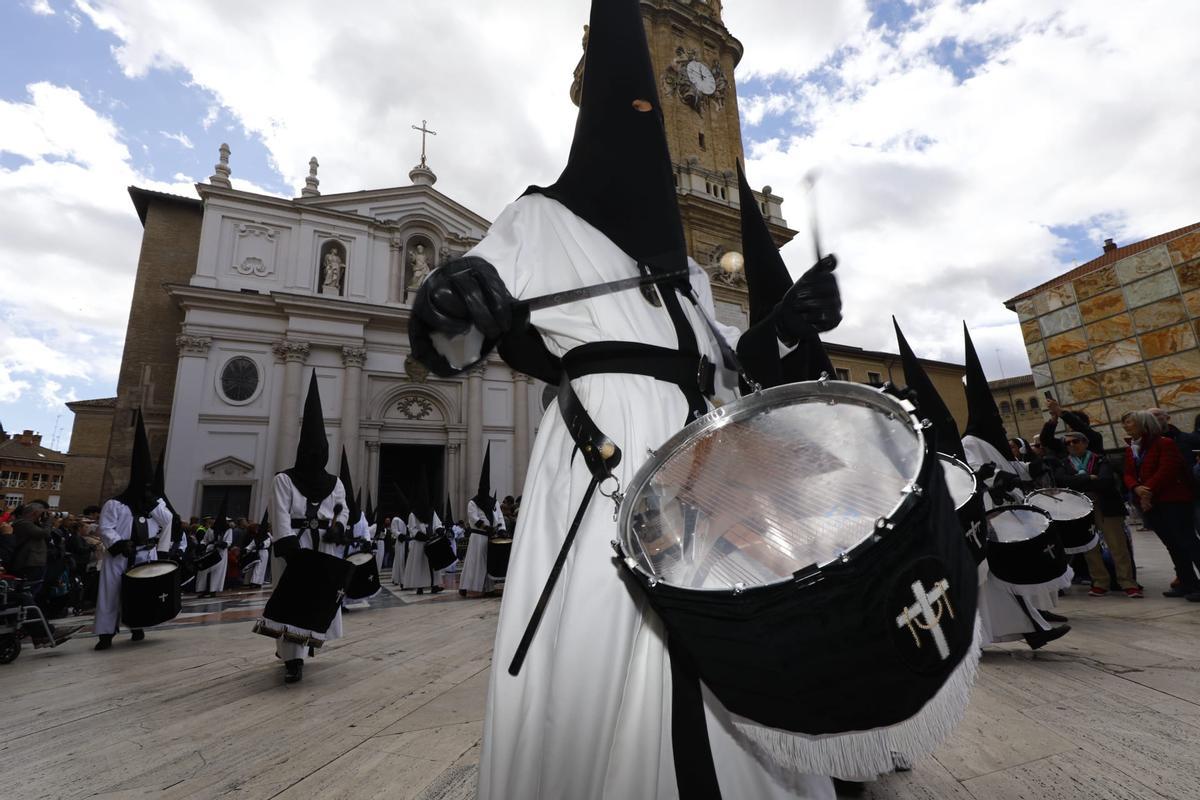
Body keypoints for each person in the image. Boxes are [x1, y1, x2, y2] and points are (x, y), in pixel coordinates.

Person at [409, 2, 843, 795]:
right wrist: (446, 295)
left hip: (711, 490)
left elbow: (728, 370)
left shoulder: (691, 280)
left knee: (734, 682)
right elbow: (454, 336)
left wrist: (784, 325)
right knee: (607, 668)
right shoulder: (540, 218)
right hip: (606, 478)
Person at [261, 372, 351, 684]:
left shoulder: (334, 482)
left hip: (323, 546)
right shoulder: (284, 479)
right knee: (292, 599)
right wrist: (289, 547)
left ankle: (304, 645)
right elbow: (280, 514)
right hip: (296, 549)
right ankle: (292, 659)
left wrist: (339, 527)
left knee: (315, 600)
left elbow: (343, 509)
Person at [94, 411, 173, 650]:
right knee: (111, 593)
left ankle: (138, 626)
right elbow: (105, 527)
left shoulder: (154, 504)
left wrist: (153, 504)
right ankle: (106, 633)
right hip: (121, 555)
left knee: (143, 593)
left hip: (144, 554)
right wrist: (118, 543)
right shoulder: (115, 504)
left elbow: (168, 521)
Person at [1122, 410, 1200, 600]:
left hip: (1173, 500)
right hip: (1151, 503)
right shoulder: (1131, 448)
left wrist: (1147, 489)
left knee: (1188, 542)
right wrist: (1136, 488)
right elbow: (1128, 473)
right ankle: (1188, 582)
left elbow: (1168, 469)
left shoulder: (1164, 443)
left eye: (1129, 422)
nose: (1125, 426)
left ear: (1143, 424)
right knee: (1172, 544)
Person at [1052, 431, 1139, 596]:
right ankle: (1100, 581)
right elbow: (1063, 481)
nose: (1071, 445)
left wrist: (1079, 481)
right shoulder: (1064, 463)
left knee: (1117, 545)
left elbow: (1106, 481)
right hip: (1081, 508)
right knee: (1090, 547)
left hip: (1105, 505)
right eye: (1067, 443)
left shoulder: (1100, 459)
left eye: (1075, 441)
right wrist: (1089, 478)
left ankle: (1127, 582)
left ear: (1085, 443)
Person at [461, 444, 505, 597]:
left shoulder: (493, 502)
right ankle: (466, 586)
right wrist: (487, 528)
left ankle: (489, 588)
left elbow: (499, 516)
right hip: (478, 537)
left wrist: (502, 529)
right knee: (474, 563)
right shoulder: (473, 503)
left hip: (491, 538)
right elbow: (474, 519)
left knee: (489, 563)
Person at [400, 473, 443, 596]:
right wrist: (423, 537)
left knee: (433, 566)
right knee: (419, 566)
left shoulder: (431, 512)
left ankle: (434, 585)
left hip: (431, 543)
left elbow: (437, 524)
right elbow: (412, 529)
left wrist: (439, 530)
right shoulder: (413, 514)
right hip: (420, 544)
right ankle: (420, 587)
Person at [9, 501, 52, 599]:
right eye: (42, 513)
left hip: (35, 562)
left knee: (33, 590)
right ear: (35, 513)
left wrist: (42, 521)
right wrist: (48, 521)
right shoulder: (23, 523)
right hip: (28, 562)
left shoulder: (32, 524)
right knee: (28, 591)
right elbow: (44, 533)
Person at [195, 499, 233, 599]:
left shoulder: (228, 530)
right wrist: (202, 545)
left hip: (220, 553)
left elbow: (228, 542)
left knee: (217, 572)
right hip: (209, 551)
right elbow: (204, 540)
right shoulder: (211, 529)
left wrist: (220, 544)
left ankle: (213, 590)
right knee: (204, 570)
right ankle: (203, 589)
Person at [389, 512, 408, 586]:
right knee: (399, 561)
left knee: (400, 561)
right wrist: (399, 535)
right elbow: (394, 530)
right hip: (400, 542)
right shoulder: (396, 519)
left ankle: (396, 578)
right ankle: (400, 580)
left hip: (407, 542)